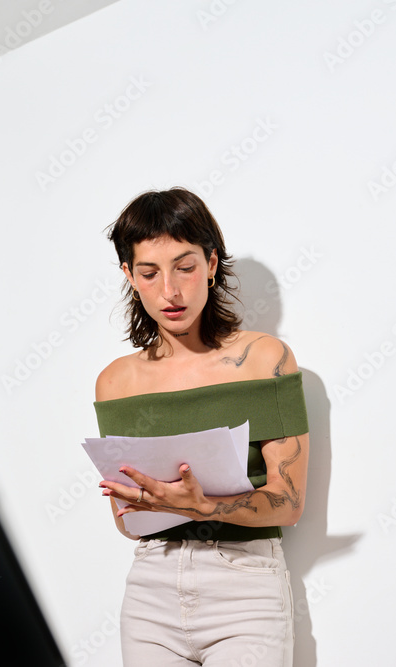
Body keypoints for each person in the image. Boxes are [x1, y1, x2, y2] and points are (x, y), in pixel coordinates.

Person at [93, 186, 310, 667]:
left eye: (185, 267)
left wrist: (204, 505)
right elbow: (127, 522)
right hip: (151, 588)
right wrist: (154, 501)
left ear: (211, 264)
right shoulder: (115, 382)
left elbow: (290, 501)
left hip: (245, 589)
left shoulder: (264, 360)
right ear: (129, 275)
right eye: (149, 273)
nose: (170, 291)